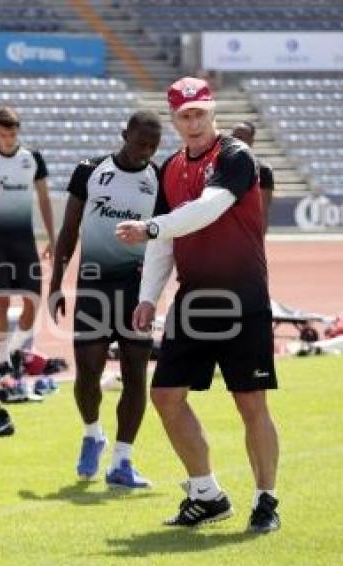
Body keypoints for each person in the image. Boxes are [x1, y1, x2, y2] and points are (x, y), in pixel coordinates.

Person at [115, 77, 280, 533]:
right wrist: (149, 296)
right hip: (193, 298)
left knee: (250, 403)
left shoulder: (235, 157)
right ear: (173, 119)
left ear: (213, 113)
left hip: (242, 297)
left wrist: (150, 227)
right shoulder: (169, 167)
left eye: (200, 114)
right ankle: (206, 494)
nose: (193, 123)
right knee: (166, 396)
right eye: (184, 115)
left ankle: (265, 499)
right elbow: (167, 239)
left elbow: (209, 207)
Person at [49, 110, 162, 487]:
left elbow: (166, 236)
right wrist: (54, 286)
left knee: (135, 376)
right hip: (94, 287)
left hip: (135, 290)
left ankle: (122, 461)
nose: (145, 152)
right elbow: (68, 232)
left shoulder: (158, 177)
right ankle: (93, 433)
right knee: (88, 376)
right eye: (139, 143)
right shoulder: (90, 171)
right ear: (124, 134)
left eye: (152, 146)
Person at [0, 107, 55, 377]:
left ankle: (15, 350)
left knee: (33, 301)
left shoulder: (33, 159)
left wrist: (52, 238)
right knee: (2, 304)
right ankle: (3, 362)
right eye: (4, 135)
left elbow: (44, 199)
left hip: (24, 241)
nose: (9, 139)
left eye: (13, 134)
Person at [231, 122, 274, 232]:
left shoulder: (263, 170)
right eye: (233, 136)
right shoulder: (218, 166)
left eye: (240, 137)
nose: (235, 140)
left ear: (251, 141)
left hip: (248, 234)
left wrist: (259, 241)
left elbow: (263, 211)